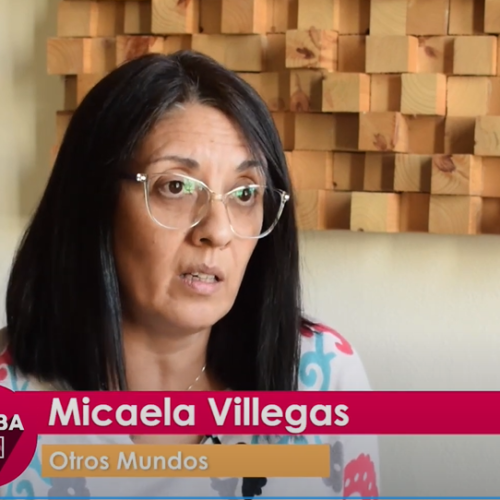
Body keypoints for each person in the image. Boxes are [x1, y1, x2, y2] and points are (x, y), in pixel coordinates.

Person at [0, 50, 379, 498]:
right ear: (92, 204)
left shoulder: (324, 378)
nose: (217, 231)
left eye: (244, 194)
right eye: (175, 186)